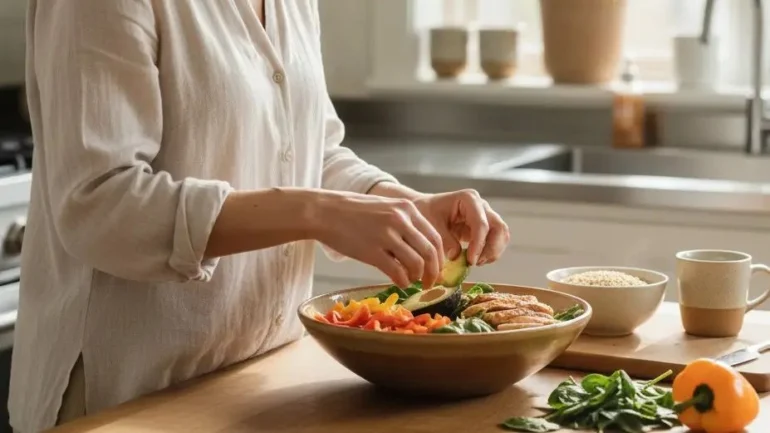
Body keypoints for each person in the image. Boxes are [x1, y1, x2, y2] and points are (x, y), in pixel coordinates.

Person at [9, 0, 511, 431]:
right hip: (128, 394)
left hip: (260, 380)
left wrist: (396, 201)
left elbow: (313, 149)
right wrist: (316, 212)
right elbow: (99, 205)